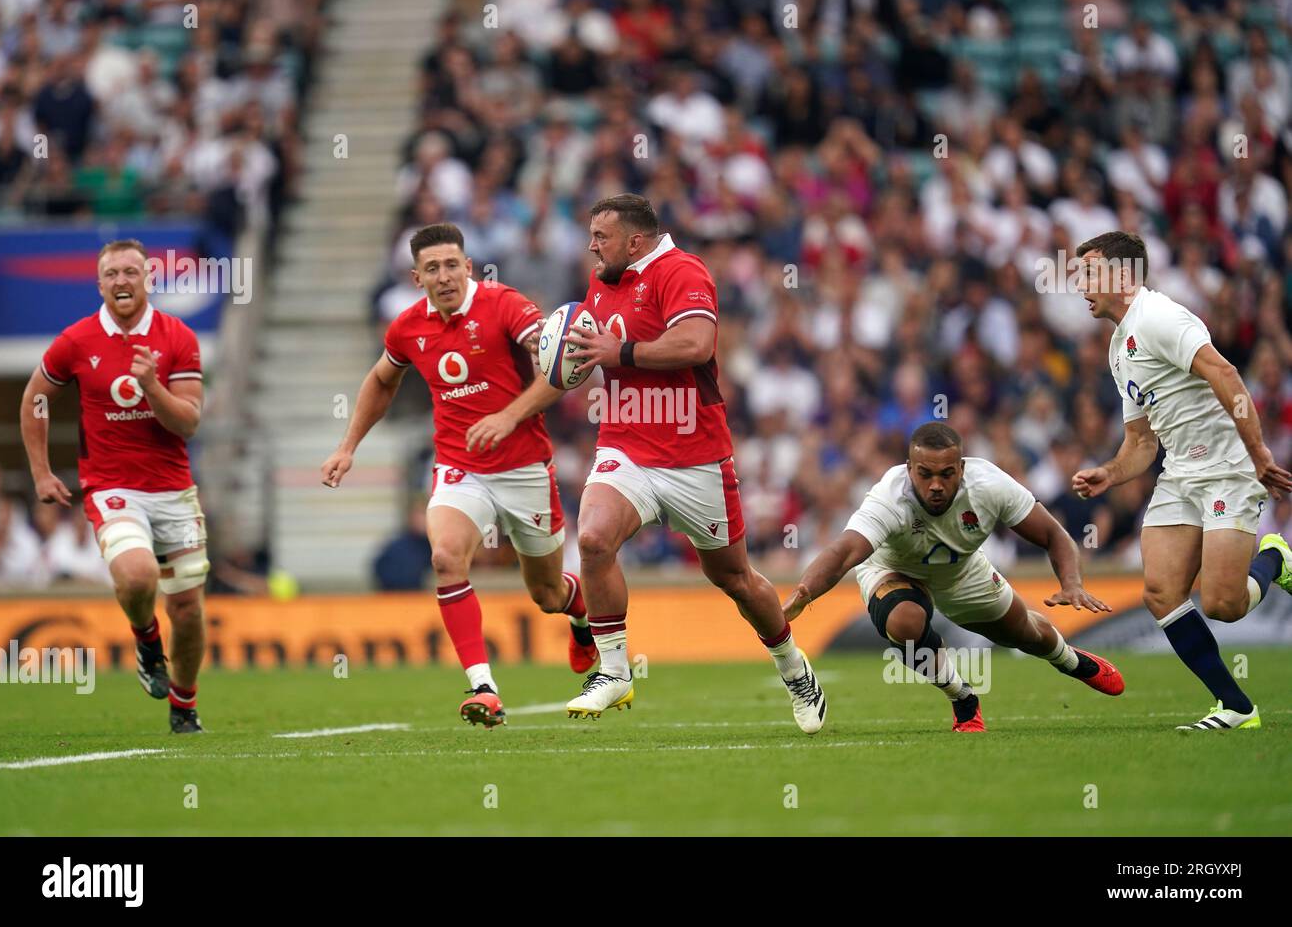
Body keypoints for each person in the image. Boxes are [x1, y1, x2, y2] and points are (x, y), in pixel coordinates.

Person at [559, 194, 826, 733]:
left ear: (635, 241)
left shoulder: (682, 270)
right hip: (625, 444)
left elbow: (698, 344)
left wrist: (622, 352)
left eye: (601, 236)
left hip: (693, 456)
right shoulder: (601, 281)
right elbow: (600, 351)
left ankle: (794, 669)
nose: (591, 245)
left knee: (734, 580)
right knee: (591, 539)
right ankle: (613, 671)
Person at [321, 223, 592, 728]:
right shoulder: (407, 327)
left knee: (548, 595)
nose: (443, 276)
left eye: (452, 265)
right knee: (445, 557)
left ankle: (581, 620)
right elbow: (382, 380)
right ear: (416, 277)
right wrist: (347, 446)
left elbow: (562, 366)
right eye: (432, 269)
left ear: (468, 267)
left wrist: (510, 415)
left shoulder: (505, 305)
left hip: (524, 466)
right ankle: (483, 688)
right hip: (459, 466)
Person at [1073, 230, 1292, 730]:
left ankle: (1274, 558)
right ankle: (1237, 706)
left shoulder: (1159, 317)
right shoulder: (1117, 347)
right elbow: (1142, 442)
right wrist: (1110, 472)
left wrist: (1258, 452)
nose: (1080, 285)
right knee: (1160, 591)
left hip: (1227, 467)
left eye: (1087, 273)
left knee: (1222, 604)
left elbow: (1226, 373)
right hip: (1178, 473)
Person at [783, 422, 1124, 732]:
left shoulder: (989, 485)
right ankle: (962, 697)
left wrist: (1072, 584)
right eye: (925, 474)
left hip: (961, 570)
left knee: (1026, 634)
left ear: (962, 468)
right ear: (908, 469)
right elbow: (843, 552)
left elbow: (1053, 534)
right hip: (893, 568)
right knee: (905, 622)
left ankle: (1069, 661)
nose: (935, 485)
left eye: (946, 474)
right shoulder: (890, 497)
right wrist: (805, 592)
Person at [19, 239, 209, 733]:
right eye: (111, 274)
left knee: (187, 610)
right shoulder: (77, 340)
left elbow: (188, 423)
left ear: (148, 277)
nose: (121, 281)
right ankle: (147, 641)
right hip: (112, 486)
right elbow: (35, 398)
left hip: (173, 489)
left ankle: (184, 706)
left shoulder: (179, 336)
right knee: (138, 574)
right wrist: (41, 471)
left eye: (130, 271)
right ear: (99, 283)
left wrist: (152, 386)